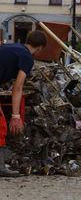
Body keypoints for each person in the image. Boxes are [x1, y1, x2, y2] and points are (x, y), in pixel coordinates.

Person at [0, 30, 47, 176]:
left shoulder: (13, 48)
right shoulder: (27, 57)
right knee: (1, 126)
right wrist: (15, 116)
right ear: (39, 48)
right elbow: (18, 87)